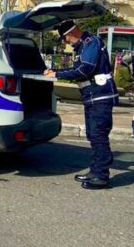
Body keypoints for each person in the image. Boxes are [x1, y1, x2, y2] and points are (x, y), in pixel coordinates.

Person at [44, 20, 118, 190]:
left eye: (65, 37)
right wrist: (57, 72)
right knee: (93, 135)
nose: (65, 42)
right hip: (92, 96)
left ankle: (101, 176)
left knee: (99, 136)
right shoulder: (83, 47)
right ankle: (95, 170)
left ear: (73, 32)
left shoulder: (91, 43)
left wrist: (57, 73)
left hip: (100, 96)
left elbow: (84, 70)